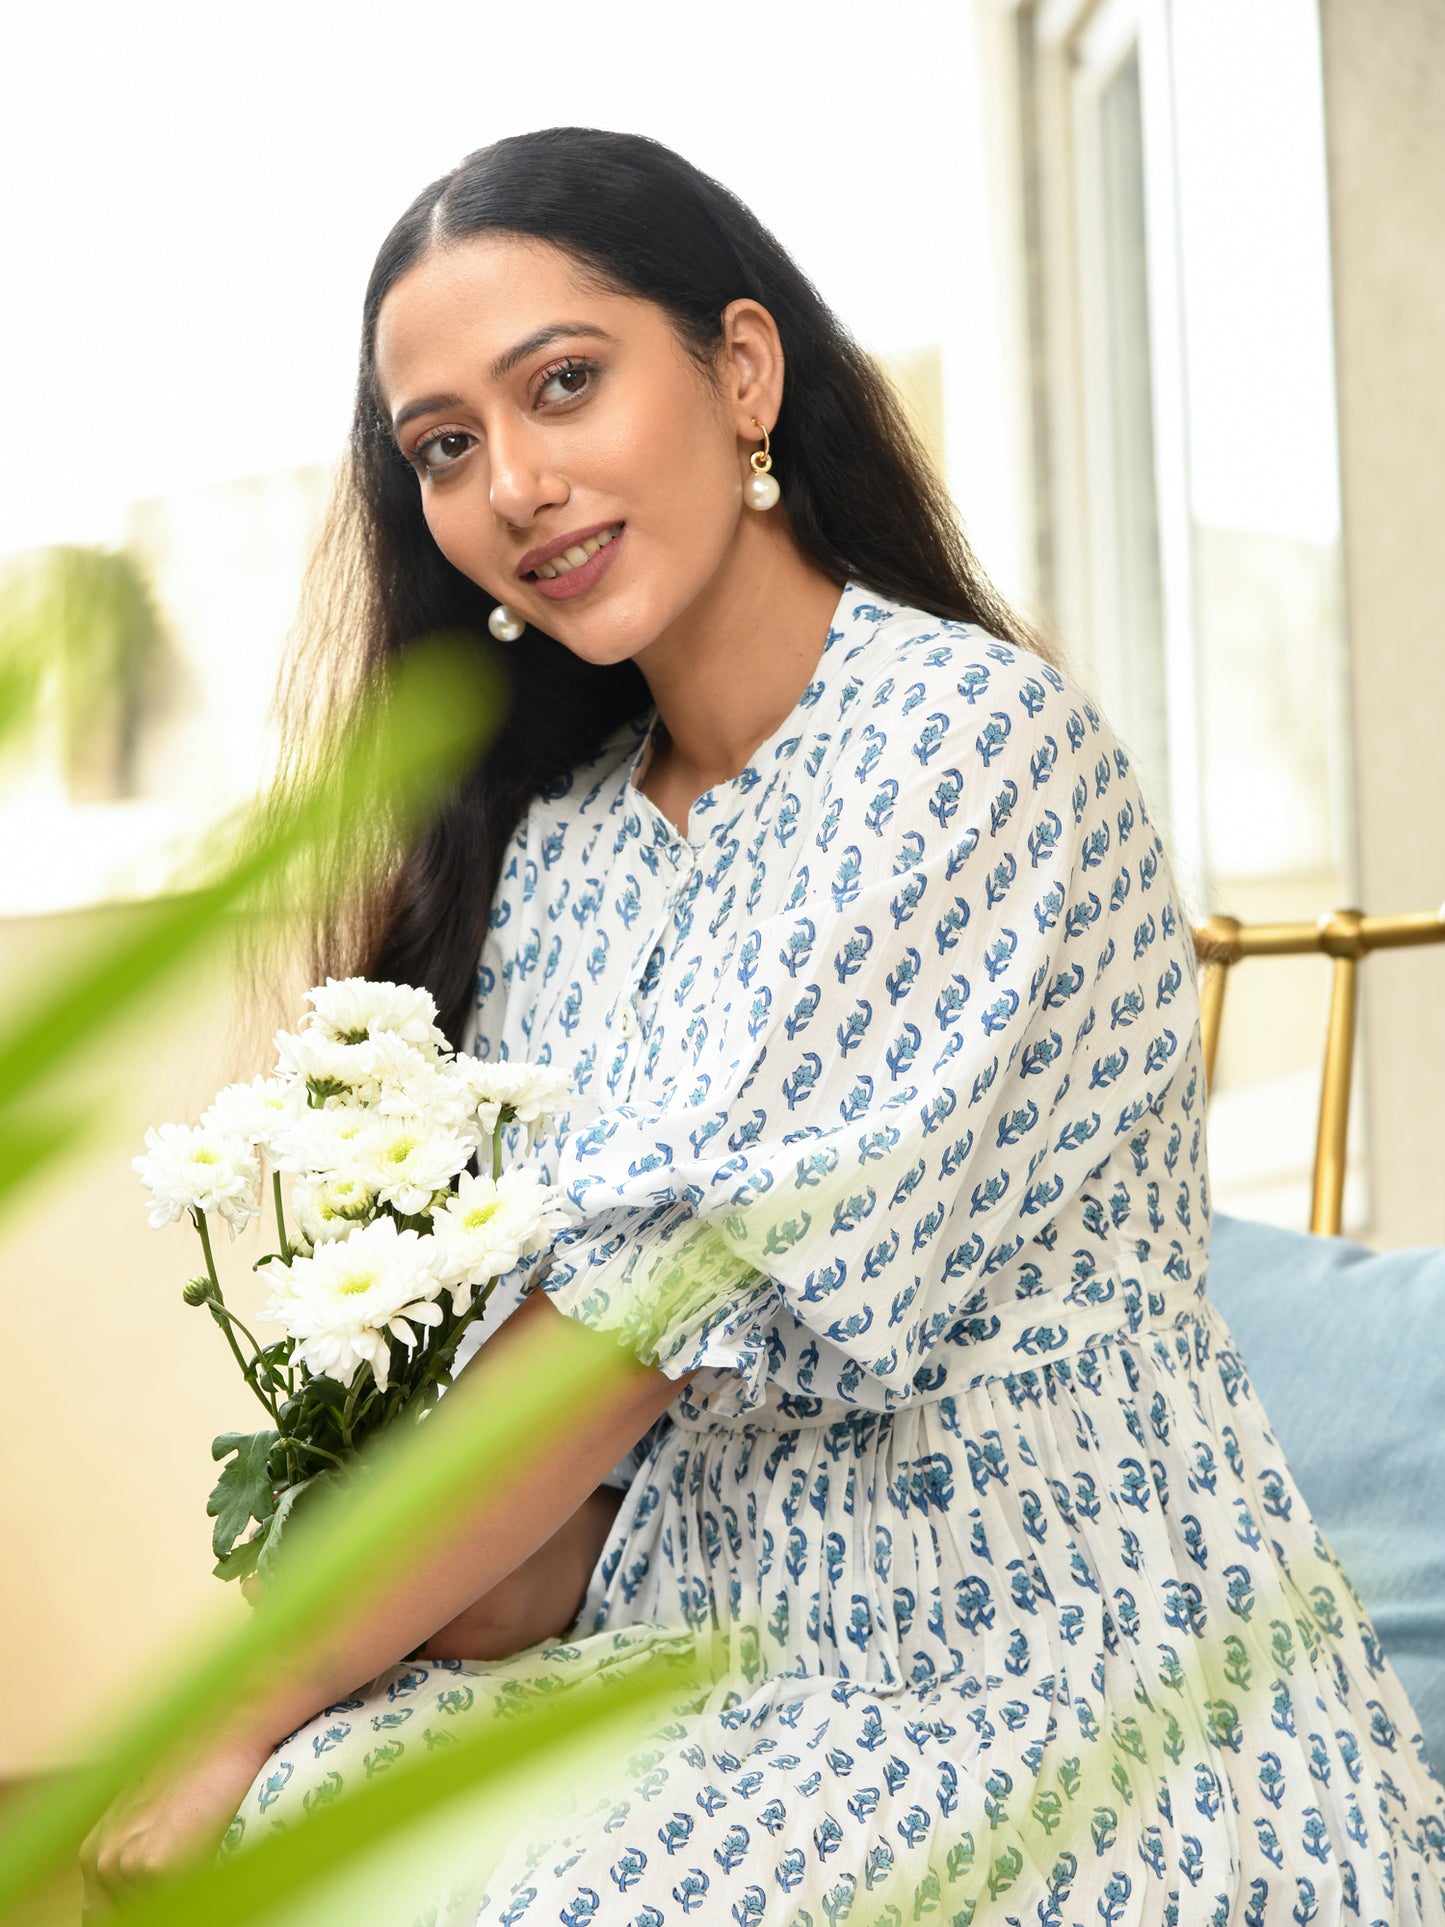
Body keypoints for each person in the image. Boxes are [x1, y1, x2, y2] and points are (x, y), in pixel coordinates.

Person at [83, 127, 1445, 1925]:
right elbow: (560, 1508)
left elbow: (612, 1346)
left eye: (562, 384)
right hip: (701, 1656)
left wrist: (226, 1714)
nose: (516, 483)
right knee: (326, 1817)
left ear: (742, 371)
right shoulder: (558, 853)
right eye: (446, 447)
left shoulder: (963, 748)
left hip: (1057, 1680)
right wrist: (369, 1550)